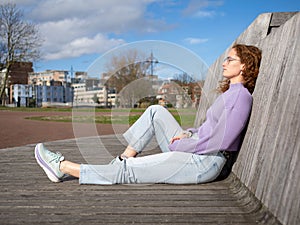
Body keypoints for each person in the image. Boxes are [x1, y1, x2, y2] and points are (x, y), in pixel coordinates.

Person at [35, 44, 262, 185]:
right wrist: (189, 134)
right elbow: (208, 130)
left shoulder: (241, 97)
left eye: (230, 59)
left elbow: (221, 140)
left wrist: (182, 145)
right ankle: (123, 158)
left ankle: (63, 167)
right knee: (155, 111)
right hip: (198, 152)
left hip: (204, 163)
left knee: (131, 171)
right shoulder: (230, 94)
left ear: (244, 66)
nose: (224, 63)